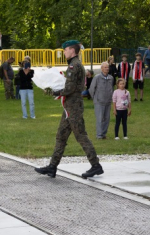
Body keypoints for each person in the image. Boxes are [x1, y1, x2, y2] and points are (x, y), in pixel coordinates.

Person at [34, 40, 103, 179]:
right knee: (61, 136)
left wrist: (55, 92)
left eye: (65, 50)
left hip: (74, 107)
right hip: (70, 107)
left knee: (81, 135)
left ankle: (96, 165)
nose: (64, 52)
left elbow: (70, 88)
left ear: (72, 50)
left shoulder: (74, 65)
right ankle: (52, 167)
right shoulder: (74, 64)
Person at [89, 62, 114, 139]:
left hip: (108, 101)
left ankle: (104, 134)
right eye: (105, 67)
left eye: (108, 67)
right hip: (99, 102)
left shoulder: (111, 78)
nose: (107, 69)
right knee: (99, 118)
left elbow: (111, 89)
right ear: (102, 68)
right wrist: (95, 98)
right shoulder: (97, 77)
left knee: (106, 118)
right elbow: (91, 89)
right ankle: (99, 135)